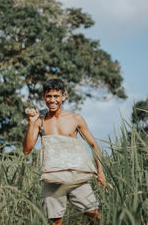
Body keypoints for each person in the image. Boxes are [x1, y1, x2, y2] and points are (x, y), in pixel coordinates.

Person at [23, 79, 106, 225]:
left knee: (95, 217)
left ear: (64, 96)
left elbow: (93, 144)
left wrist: (100, 171)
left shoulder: (75, 119)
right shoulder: (39, 121)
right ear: (44, 97)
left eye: (56, 96)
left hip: (77, 177)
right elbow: (26, 150)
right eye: (49, 96)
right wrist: (31, 122)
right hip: (52, 179)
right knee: (56, 222)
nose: (52, 100)